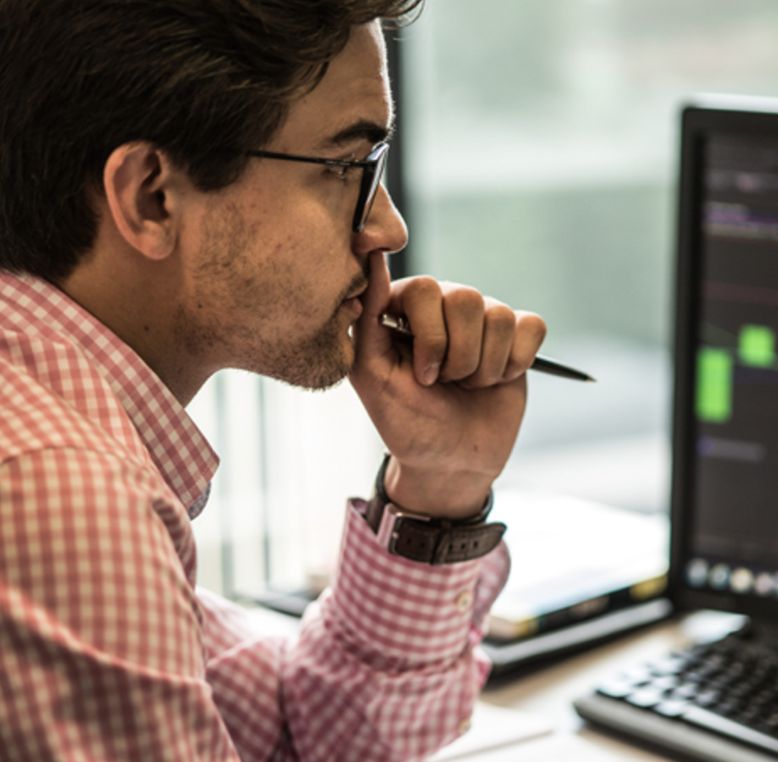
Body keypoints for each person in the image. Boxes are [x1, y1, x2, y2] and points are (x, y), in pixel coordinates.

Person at [0, 1, 546, 759]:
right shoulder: (58, 494)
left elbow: (297, 731)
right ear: (150, 196)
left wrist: (439, 484)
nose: (388, 229)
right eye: (349, 167)